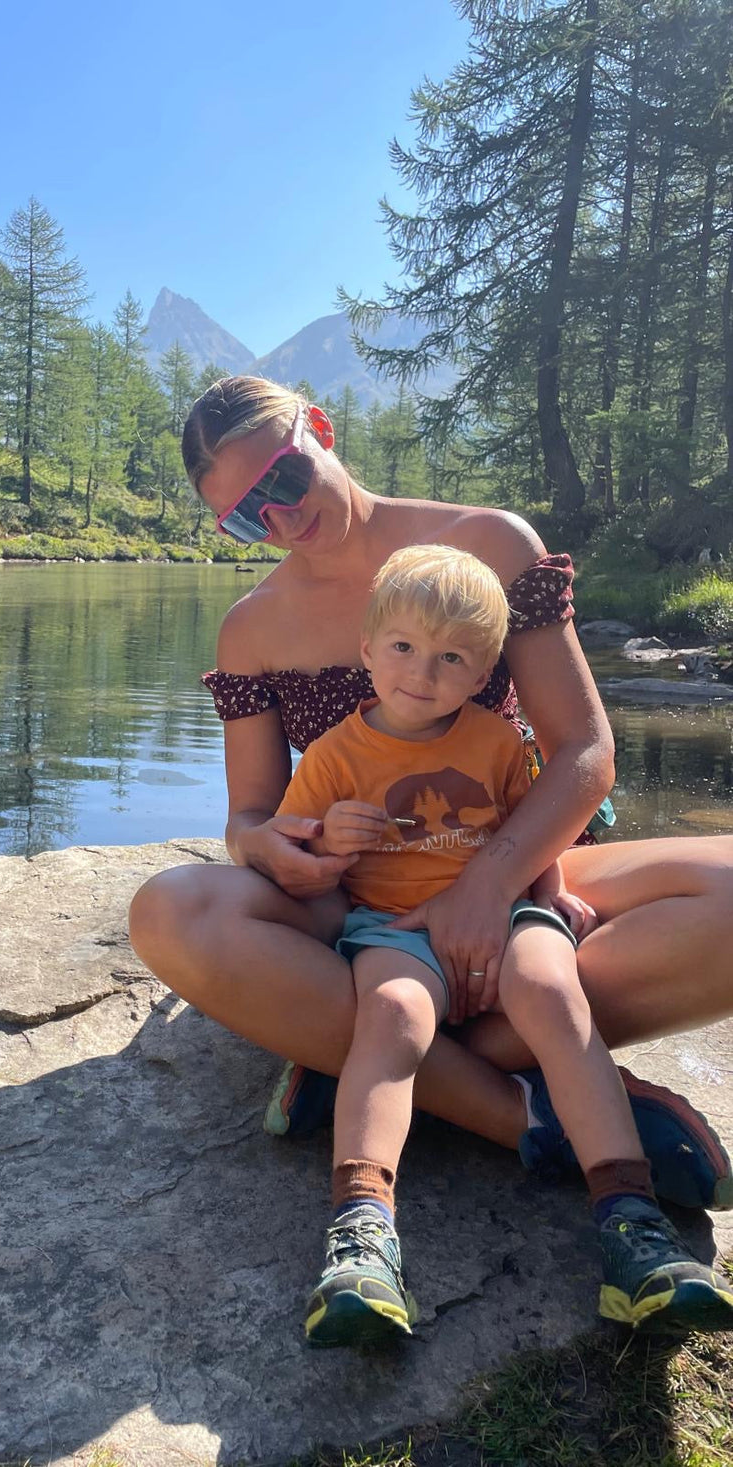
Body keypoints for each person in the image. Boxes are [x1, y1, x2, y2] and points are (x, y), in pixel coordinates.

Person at [127, 375, 733, 1223]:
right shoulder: (250, 628)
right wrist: (270, 848)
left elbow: (586, 752)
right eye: (243, 516)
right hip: (360, 913)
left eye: (285, 481)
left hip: (517, 873)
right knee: (168, 912)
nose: (280, 520)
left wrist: (486, 890)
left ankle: (347, 1048)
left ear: (322, 430)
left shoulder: (486, 543)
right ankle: (522, 1111)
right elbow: (250, 814)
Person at [274, 542, 733, 1344]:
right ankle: (361, 1235)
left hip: (507, 914)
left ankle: (632, 1224)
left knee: (557, 993)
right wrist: (325, 838)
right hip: (392, 927)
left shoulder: (495, 740)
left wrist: (554, 899)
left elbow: (534, 826)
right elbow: (300, 861)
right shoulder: (333, 755)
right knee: (389, 1018)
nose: (424, 672)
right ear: (368, 650)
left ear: (487, 666)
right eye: (405, 648)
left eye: (453, 657)